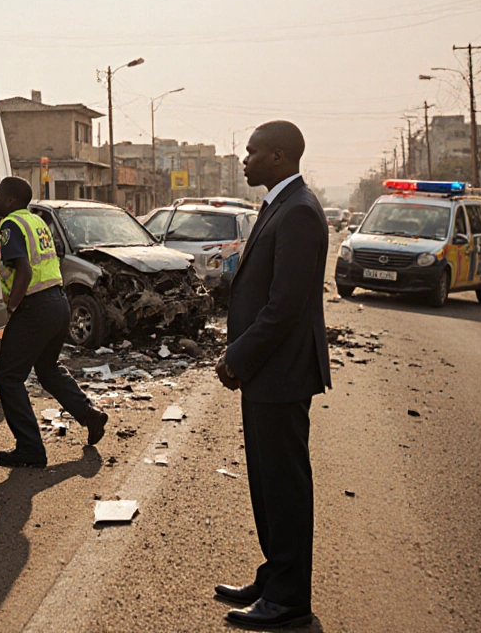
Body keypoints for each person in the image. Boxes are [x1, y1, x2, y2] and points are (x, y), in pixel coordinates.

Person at [212, 120, 330, 629]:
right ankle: (275, 575)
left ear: (278, 157)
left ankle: (289, 600)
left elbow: (285, 308)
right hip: (268, 373)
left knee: (283, 485)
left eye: (252, 151)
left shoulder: (300, 211)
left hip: (279, 372)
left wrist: (238, 356)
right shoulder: (280, 205)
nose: (245, 159)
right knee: (266, 481)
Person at [0, 177, 108, 468]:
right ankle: (90, 415)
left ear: (12, 200)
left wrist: (13, 308)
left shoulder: (11, 225)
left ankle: (30, 448)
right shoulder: (35, 222)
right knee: (47, 369)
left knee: (6, 376)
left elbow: (24, 272)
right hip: (57, 303)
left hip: (35, 306)